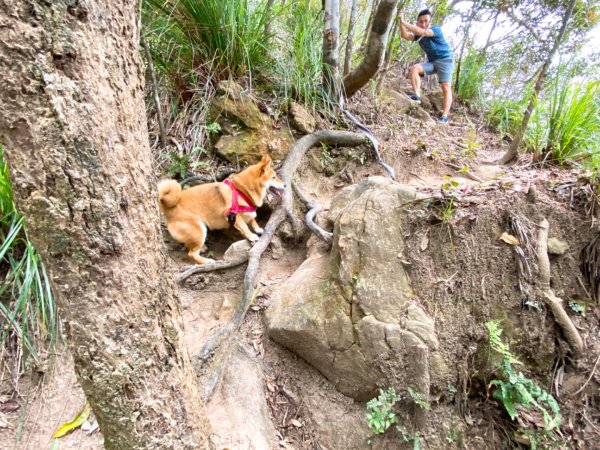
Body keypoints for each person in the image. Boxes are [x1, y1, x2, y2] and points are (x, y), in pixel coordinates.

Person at [399, 9, 454, 124]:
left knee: (445, 87)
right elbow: (405, 35)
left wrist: (404, 21)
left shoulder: (435, 30)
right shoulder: (418, 35)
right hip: (432, 61)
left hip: (445, 60)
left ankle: (444, 116)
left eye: (426, 21)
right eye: (420, 21)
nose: (423, 24)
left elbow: (421, 31)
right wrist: (400, 21)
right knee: (414, 69)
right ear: (417, 22)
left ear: (430, 22)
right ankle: (417, 96)